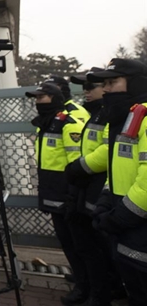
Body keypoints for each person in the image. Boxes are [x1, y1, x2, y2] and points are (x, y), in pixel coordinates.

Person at [68, 58, 147, 305]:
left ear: (135, 84)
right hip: (127, 225)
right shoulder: (127, 118)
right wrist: (106, 199)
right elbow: (118, 168)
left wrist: (121, 215)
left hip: (136, 223)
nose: (107, 89)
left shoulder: (143, 118)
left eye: (113, 82)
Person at [26, 82, 88, 306]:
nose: (37, 101)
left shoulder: (68, 124)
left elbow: (77, 164)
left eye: (42, 97)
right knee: (67, 242)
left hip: (67, 194)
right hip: (52, 191)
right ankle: (82, 281)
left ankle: (86, 287)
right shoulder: (46, 124)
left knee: (79, 244)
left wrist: (73, 194)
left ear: (53, 98)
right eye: (36, 97)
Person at [61, 69, 118, 306]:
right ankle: (96, 289)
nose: (87, 91)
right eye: (84, 87)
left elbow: (108, 149)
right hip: (85, 187)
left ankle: (102, 293)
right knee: (87, 245)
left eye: (91, 86)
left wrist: (81, 167)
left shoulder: (109, 114)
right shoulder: (95, 114)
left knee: (97, 247)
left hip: (99, 188)